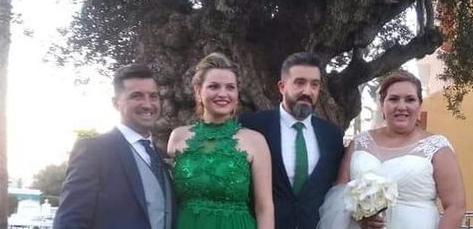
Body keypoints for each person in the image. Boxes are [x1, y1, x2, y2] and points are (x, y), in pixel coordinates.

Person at [317, 70, 466, 229]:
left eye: (410, 99)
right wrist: (358, 215)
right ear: (382, 105)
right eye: (393, 99)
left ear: (419, 105)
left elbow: (455, 207)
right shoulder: (359, 143)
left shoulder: (437, 147)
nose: (402, 107)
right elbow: (340, 193)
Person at [54, 64, 176, 229]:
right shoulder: (93, 151)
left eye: (153, 96)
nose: (148, 104)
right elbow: (70, 220)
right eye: (137, 96)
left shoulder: (162, 156)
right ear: (116, 103)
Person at [167, 53, 274, 229]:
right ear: (198, 91)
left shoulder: (255, 141)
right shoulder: (178, 137)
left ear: (237, 93)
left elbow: (264, 208)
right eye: (214, 86)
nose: (223, 94)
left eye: (230, 87)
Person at [240, 52, 345, 229]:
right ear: (282, 86)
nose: (307, 91)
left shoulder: (332, 135)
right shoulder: (252, 126)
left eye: (314, 85)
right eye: (300, 83)